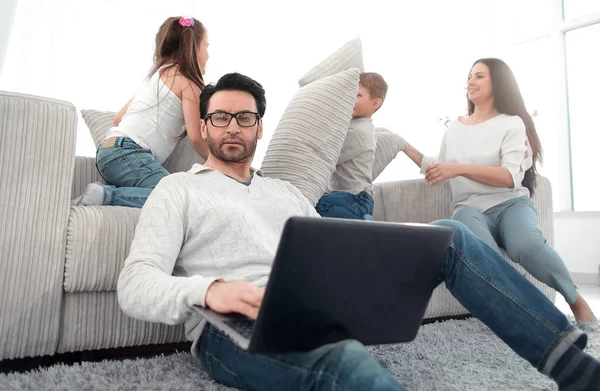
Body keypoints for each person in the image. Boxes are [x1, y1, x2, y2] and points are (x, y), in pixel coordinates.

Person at [117, 72, 600, 391]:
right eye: (220, 117)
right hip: (234, 332)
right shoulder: (178, 190)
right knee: (343, 360)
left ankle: (575, 369)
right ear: (205, 124)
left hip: (318, 308)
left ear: (259, 128)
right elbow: (135, 283)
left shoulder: (285, 193)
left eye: (245, 118)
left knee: (450, 234)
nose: (232, 127)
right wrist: (212, 290)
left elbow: (325, 256)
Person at [400, 58, 597, 327]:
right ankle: (528, 315)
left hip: (510, 204)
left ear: (498, 83)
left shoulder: (512, 123)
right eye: (469, 76)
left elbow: (509, 177)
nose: (471, 81)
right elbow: (436, 165)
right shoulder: (455, 129)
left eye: (479, 76)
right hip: (468, 209)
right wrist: (401, 144)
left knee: (526, 245)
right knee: (485, 257)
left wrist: (457, 168)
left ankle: (575, 300)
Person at [76, 16, 210, 208]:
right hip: (128, 153)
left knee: (171, 196)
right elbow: (196, 138)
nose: (208, 54)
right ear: (193, 48)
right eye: (207, 46)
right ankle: (107, 196)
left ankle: (101, 195)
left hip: (108, 151)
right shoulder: (188, 82)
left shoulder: (158, 75)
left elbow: (118, 118)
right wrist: (220, 162)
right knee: (178, 196)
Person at [316, 72, 389, 220]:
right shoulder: (358, 127)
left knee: (315, 204)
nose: (349, 99)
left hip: (355, 199)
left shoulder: (358, 132)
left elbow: (327, 157)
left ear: (375, 103)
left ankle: (360, 222)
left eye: (357, 95)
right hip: (349, 198)